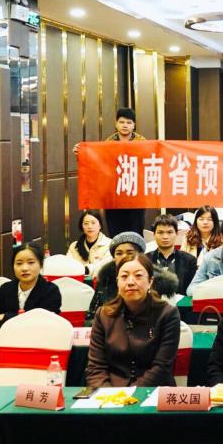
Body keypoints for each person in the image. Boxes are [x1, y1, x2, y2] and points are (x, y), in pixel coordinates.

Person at [85, 252, 181, 387]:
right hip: (110, 392)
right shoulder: (103, 315)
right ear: (117, 282)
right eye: (124, 276)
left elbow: (162, 368)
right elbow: (96, 368)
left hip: (152, 391)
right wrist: (107, 394)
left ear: (150, 281)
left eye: (138, 276)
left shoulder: (167, 314)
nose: (130, 282)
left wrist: (130, 394)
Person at [74, 108, 147, 236]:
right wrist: (81, 154)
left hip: (135, 195)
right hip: (113, 195)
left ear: (134, 125)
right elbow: (96, 164)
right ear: (116, 124)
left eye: (129, 122)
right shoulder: (107, 143)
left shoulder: (143, 143)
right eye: (121, 122)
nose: (125, 125)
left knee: (135, 232)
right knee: (115, 232)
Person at [0, 243, 62, 333]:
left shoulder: (50, 291)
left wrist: (7, 317)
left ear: (41, 264)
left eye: (31, 262)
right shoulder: (6, 289)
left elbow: (43, 325)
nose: (24, 268)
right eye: (19, 263)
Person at [88, 232, 150, 318]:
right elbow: (93, 314)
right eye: (119, 253)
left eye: (129, 253)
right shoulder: (105, 278)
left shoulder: (150, 278)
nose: (124, 257)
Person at [149, 214, 197, 295]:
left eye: (169, 232)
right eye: (160, 232)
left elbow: (190, 292)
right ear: (154, 234)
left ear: (177, 233)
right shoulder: (146, 259)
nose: (165, 237)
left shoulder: (189, 261)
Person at [66, 209, 113, 275]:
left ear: (100, 225)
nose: (89, 226)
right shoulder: (74, 246)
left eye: (93, 223)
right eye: (86, 223)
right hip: (78, 280)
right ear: (82, 226)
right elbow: (68, 266)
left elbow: (106, 267)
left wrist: (87, 270)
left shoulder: (109, 244)